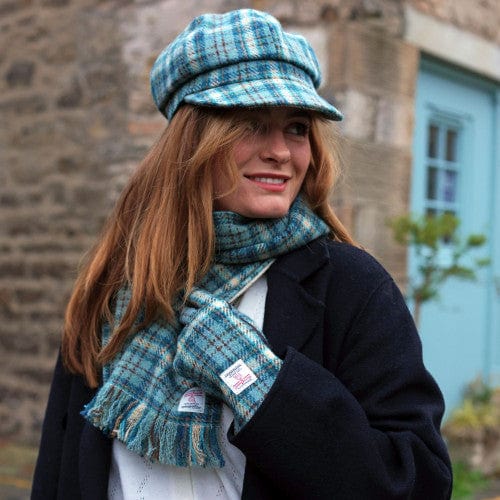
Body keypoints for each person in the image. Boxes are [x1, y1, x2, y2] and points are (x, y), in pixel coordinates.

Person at [32, 8, 452, 500]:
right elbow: (59, 471)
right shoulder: (117, 288)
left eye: (297, 127)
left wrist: (258, 382)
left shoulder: (352, 287)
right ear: (192, 141)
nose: (281, 151)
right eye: (251, 124)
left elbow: (418, 480)